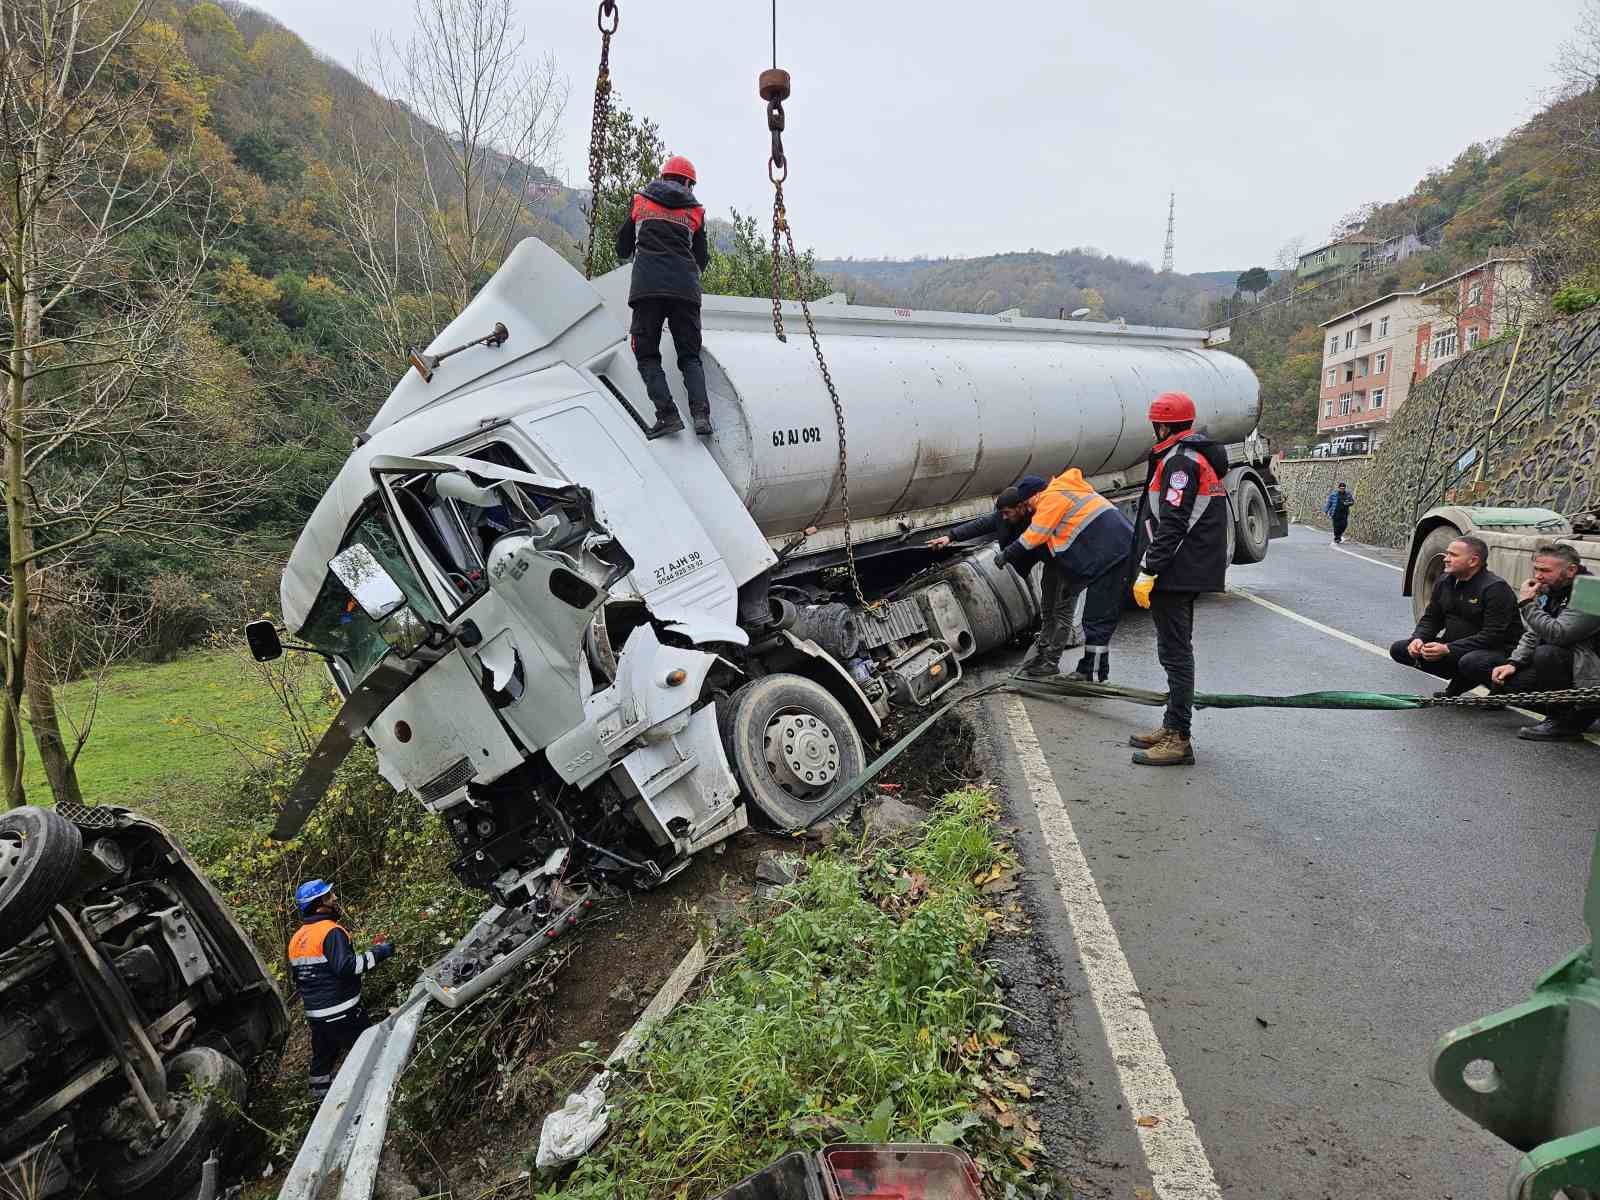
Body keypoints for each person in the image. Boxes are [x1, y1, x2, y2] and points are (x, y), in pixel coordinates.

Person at [1128, 392, 1232, 766]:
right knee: (1174, 650)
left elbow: (1172, 524)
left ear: (1163, 425)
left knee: (1175, 653)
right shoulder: (1187, 457)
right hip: (1184, 567)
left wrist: (1149, 570)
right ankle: (1171, 723)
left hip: (1177, 569)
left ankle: (1179, 737)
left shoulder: (1181, 464)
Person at [926, 475, 1083, 671]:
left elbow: (1033, 538)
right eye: (1002, 514)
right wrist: (950, 537)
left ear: (1021, 506)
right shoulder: (1004, 517)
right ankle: (1042, 654)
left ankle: (1051, 662)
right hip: (1051, 564)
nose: (1004, 517)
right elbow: (981, 524)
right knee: (1048, 610)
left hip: (1067, 563)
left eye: (1008, 513)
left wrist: (1007, 555)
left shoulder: (1041, 514)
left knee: (1062, 614)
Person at [998, 468, 1135, 680]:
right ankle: (1090, 669)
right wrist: (1073, 581)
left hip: (1116, 555)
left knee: (1096, 618)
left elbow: (1034, 535)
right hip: (1113, 553)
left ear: (1034, 496)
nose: (1030, 508)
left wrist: (1007, 554)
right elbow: (1071, 546)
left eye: (1028, 503)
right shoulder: (1064, 492)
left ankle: (1091, 672)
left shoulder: (1050, 499)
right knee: (1094, 617)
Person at [614, 155, 711, 439]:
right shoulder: (696, 212)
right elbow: (701, 259)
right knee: (690, 356)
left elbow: (622, 247)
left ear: (663, 176)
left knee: (646, 353)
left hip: (648, 290)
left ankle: (667, 415)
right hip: (685, 292)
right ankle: (701, 416)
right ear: (687, 182)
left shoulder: (641, 203)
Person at [288, 879, 396, 1099]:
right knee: (372, 1050)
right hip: (343, 1013)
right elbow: (347, 967)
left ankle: (318, 1105)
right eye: (329, 896)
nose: (335, 898)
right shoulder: (331, 932)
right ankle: (378, 1096)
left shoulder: (297, 939)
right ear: (319, 904)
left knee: (322, 1062)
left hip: (316, 1016)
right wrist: (381, 952)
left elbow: (299, 979)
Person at [1486, 543, 1600, 740]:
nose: (1538, 575)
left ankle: (1564, 722)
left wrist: (1527, 604)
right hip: (1575, 665)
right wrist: (1514, 662)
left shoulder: (1592, 591)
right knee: (1501, 680)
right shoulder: (1551, 588)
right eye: (1536, 569)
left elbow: (1559, 634)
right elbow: (1533, 633)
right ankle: (1577, 712)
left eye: (1545, 570)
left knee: (1548, 653)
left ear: (1571, 570)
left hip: (1592, 668)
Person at [1387, 536, 1519, 696]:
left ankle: (1499, 690)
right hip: (1455, 647)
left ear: (1473, 561)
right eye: (1447, 554)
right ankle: (1459, 680)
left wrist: (1448, 649)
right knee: (1400, 649)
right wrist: (1419, 638)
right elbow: (1432, 618)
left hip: (1494, 651)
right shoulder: (1444, 581)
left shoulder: (1495, 589)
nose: (1446, 559)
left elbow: (1493, 635)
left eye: (1453, 555)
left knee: (1471, 662)